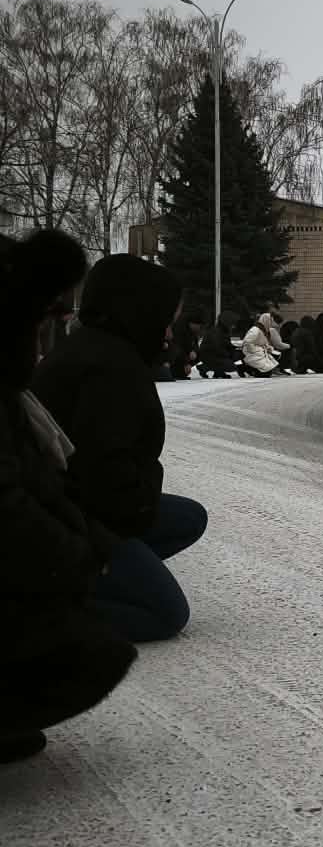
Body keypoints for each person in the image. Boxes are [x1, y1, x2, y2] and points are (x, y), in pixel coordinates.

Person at [0, 232, 139, 761]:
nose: (47, 333)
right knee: (104, 644)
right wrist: (80, 557)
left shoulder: (16, 396)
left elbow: (44, 483)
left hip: (84, 519)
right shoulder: (105, 369)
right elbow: (17, 503)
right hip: (89, 522)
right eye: (43, 319)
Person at [31, 252, 208, 647]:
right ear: (140, 313)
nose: (168, 334)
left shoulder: (93, 349)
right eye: (165, 321)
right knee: (166, 613)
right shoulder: (110, 371)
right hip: (64, 517)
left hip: (65, 503)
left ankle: (91, 580)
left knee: (189, 517)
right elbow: (105, 480)